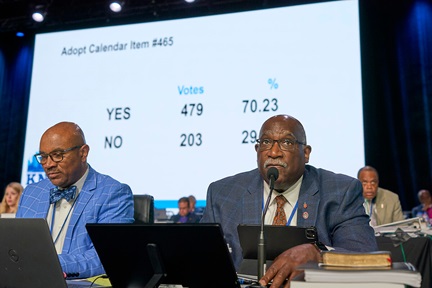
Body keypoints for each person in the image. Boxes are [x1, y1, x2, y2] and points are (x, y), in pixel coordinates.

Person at [201, 114, 378, 288]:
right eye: (266, 142)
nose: (274, 152)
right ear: (257, 151)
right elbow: (202, 262)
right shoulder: (223, 194)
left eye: (287, 142)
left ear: (306, 153)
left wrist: (318, 254)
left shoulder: (340, 192)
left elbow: (366, 256)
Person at [16, 121, 134, 279]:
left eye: (57, 155)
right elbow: (16, 248)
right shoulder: (31, 193)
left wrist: (45, 264)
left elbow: (105, 257)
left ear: (83, 153)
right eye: (43, 157)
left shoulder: (113, 193)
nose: (49, 164)